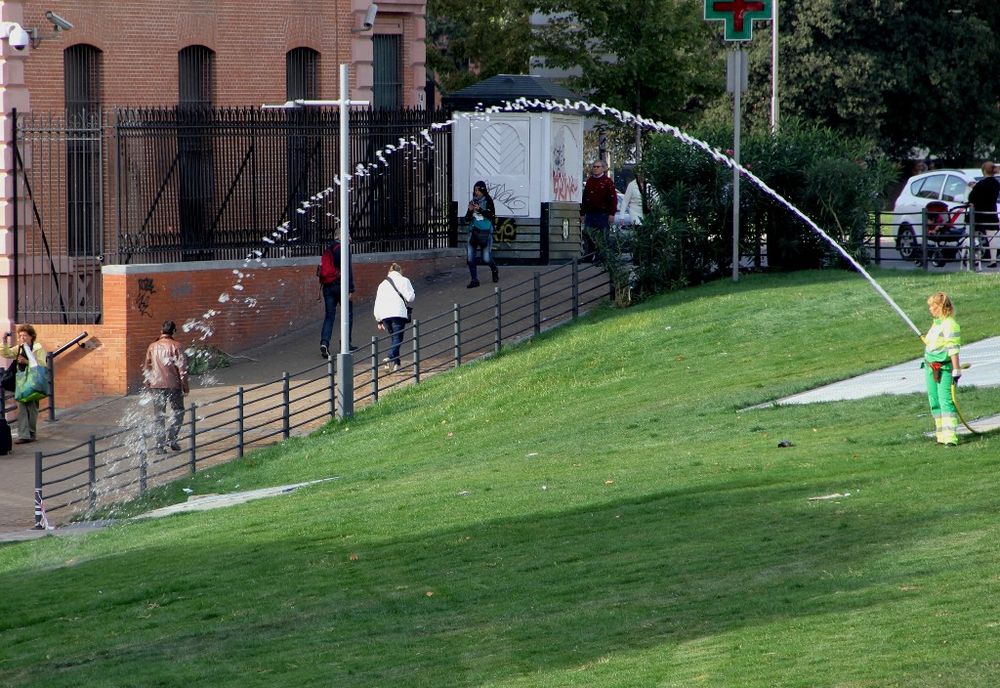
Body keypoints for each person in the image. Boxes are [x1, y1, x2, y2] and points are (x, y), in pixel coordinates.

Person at [143, 320, 189, 454]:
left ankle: (159, 446)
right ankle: (172, 439)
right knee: (179, 411)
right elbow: (182, 369)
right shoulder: (177, 346)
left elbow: (147, 367)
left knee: (159, 415)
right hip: (174, 385)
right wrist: (185, 386)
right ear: (174, 331)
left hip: (156, 385)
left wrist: (148, 385)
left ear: (161, 331)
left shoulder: (152, 346)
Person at [922, 292, 962, 446]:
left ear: (943, 307)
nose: (931, 309)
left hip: (944, 368)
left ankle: (950, 437)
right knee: (934, 400)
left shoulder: (950, 324)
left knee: (945, 401)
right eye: (930, 306)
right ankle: (941, 435)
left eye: (934, 306)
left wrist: (956, 369)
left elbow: (953, 347)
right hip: (931, 367)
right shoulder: (937, 323)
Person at [0, 325, 47, 444]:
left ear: (31, 336)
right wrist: (4, 341)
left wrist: (26, 361)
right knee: (21, 408)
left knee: (32, 408)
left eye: (25, 335)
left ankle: (31, 433)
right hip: (21, 381)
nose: (22, 338)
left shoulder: (37, 348)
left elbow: (41, 364)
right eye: (20, 335)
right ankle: (24, 435)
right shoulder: (20, 347)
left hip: (33, 380)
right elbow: (7, 353)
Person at [373, 262, 416, 373]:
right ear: (399, 271)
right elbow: (410, 298)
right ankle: (390, 356)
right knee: (398, 338)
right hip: (398, 313)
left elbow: (378, 302)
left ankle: (397, 363)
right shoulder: (404, 280)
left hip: (385, 315)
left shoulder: (382, 284)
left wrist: (378, 319)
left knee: (394, 338)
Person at [318, 236, 356, 357]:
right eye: (348, 234)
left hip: (328, 287)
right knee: (347, 314)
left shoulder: (329, 249)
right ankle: (345, 343)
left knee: (329, 316)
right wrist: (350, 289)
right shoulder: (344, 249)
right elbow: (347, 270)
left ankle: (324, 342)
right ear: (342, 235)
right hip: (341, 286)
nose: (350, 237)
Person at [463, 181, 499, 288]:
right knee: (470, 258)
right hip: (473, 232)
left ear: (483, 190)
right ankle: (474, 280)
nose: (476, 192)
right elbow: (467, 219)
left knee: (486, 258)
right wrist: (470, 211)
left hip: (485, 232)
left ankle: (494, 269)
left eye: (478, 190)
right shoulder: (473, 201)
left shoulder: (488, 201)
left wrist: (480, 210)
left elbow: (491, 215)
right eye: (475, 190)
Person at [579, 159, 617, 260]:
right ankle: (589, 256)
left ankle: (601, 258)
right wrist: (582, 213)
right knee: (588, 234)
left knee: (603, 237)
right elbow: (585, 198)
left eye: (597, 167)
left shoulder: (607, 182)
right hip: (591, 213)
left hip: (603, 214)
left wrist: (612, 214)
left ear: (603, 169)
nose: (595, 169)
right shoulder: (590, 181)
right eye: (594, 167)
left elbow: (613, 199)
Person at [968, 161, 999, 268]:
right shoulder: (996, 183)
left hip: (979, 214)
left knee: (974, 236)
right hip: (991, 212)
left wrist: (973, 187)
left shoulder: (980, 184)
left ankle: (975, 258)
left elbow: (971, 198)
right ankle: (993, 259)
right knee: (992, 237)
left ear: (984, 171)